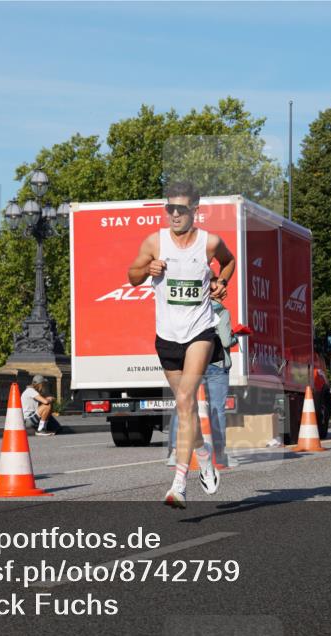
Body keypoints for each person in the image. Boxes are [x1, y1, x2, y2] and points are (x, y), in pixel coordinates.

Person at [128, 181, 235, 509]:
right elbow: (131, 275)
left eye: (181, 209)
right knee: (186, 406)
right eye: (169, 208)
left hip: (200, 333)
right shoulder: (155, 242)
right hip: (167, 338)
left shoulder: (209, 243)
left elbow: (228, 262)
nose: (174, 214)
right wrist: (147, 269)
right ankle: (203, 454)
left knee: (187, 398)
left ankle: (179, 483)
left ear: (194, 209)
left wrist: (221, 282)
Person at [167, 298, 237, 468]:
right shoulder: (221, 311)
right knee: (217, 410)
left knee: (184, 406)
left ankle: (175, 453)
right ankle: (219, 454)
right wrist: (235, 337)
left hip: (194, 364)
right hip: (216, 366)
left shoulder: (191, 310)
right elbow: (227, 341)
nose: (224, 289)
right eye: (221, 284)